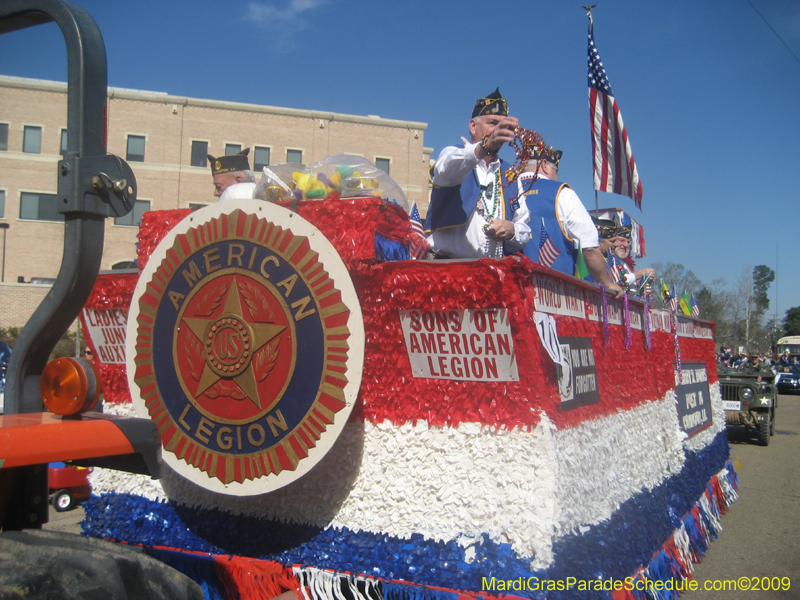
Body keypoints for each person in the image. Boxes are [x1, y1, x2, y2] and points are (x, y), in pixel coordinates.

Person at [424, 89, 530, 259]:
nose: (499, 130)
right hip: (446, 269)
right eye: (493, 123)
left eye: (505, 126)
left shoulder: (510, 174)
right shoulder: (454, 154)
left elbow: (523, 229)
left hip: (491, 272)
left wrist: (512, 230)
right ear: (473, 126)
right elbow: (446, 169)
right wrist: (485, 146)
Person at [516, 147, 622, 297]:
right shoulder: (561, 192)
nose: (557, 177)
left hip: (511, 294)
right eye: (556, 171)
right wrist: (607, 283)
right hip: (554, 296)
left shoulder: (504, 190)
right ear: (545, 165)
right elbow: (589, 248)